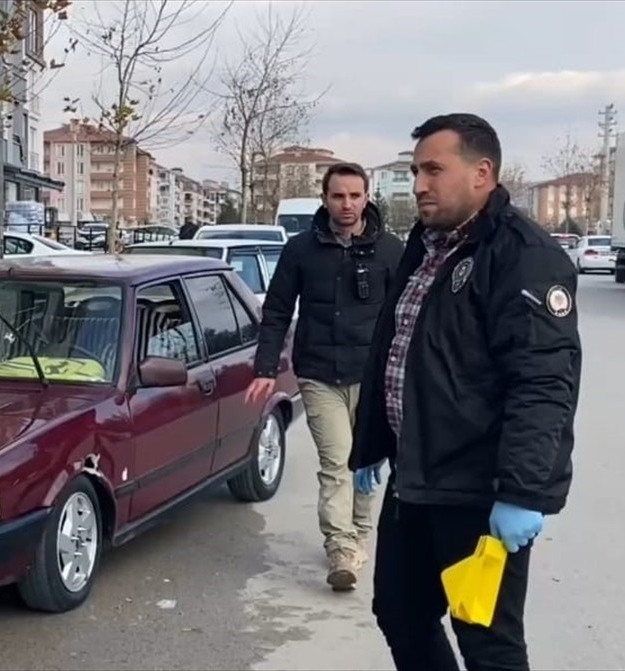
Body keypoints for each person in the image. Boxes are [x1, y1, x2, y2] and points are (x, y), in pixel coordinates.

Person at [350, 113, 581, 671]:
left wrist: (523, 492)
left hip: (478, 491)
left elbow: (544, 381)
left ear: (482, 173)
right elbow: (403, 349)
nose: (420, 183)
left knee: (486, 641)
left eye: (434, 169)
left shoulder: (524, 254)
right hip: (415, 478)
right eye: (414, 170)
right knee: (400, 614)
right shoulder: (427, 246)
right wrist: (371, 443)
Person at [246, 162, 404, 591]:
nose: (347, 204)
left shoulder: (391, 251)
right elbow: (276, 310)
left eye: (355, 195)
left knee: (367, 461)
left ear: (367, 197)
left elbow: (407, 318)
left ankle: (358, 534)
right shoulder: (301, 250)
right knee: (337, 462)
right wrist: (264, 368)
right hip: (319, 375)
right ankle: (340, 547)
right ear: (325, 199)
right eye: (338, 196)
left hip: (373, 378)